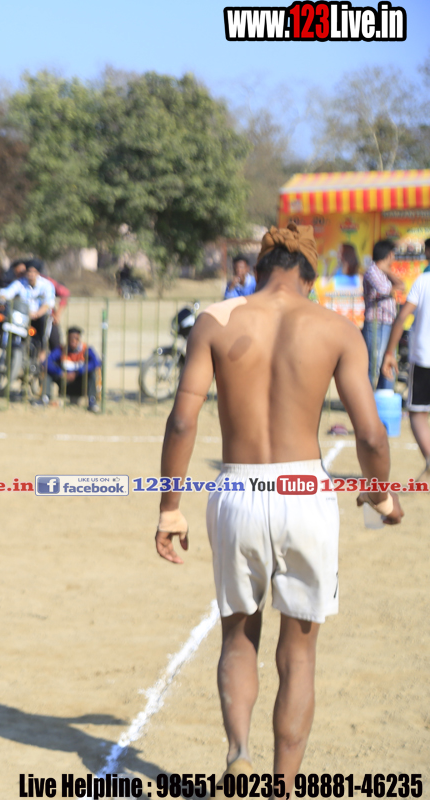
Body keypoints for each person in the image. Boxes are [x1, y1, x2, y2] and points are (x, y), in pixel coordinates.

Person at [156, 221, 402, 783]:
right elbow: (371, 435)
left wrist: (170, 506)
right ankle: (284, 788)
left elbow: (182, 421)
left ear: (260, 270)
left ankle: (238, 756)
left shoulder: (216, 320)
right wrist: (380, 494)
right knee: (299, 654)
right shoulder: (336, 328)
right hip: (305, 493)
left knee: (238, 635)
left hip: (237, 489)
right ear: (310, 278)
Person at [382, 247, 430, 483]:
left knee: (417, 413)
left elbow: (402, 317)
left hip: (424, 357)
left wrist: (389, 352)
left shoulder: (423, 281)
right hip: (423, 356)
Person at [0, 258, 55, 371]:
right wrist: (2, 298)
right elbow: (8, 292)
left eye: (34, 272)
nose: (31, 275)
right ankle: (6, 345)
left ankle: (41, 355)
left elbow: (48, 303)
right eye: (29, 272)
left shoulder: (46, 285)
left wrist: (37, 313)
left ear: (38, 273)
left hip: (38, 317)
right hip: (22, 316)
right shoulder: (20, 283)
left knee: (43, 327)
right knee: (4, 317)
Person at [362, 240, 401, 390]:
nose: (394, 258)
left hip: (388, 322)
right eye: (393, 254)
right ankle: (366, 398)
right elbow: (386, 290)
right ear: (388, 254)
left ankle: (385, 396)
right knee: (374, 365)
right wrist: (389, 275)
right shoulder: (372, 271)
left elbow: (401, 285)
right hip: (376, 324)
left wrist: (388, 271)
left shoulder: (385, 273)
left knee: (388, 361)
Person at [46, 326, 101, 411]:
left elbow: (96, 362)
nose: (73, 341)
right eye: (71, 338)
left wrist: (78, 372)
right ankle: (45, 398)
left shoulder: (86, 349)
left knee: (92, 373)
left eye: (76, 338)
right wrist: (60, 372)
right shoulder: (61, 350)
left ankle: (92, 402)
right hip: (65, 383)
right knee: (47, 372)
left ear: (79, 339)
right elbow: (47, 362)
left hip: (80, 383)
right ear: (67, 338)